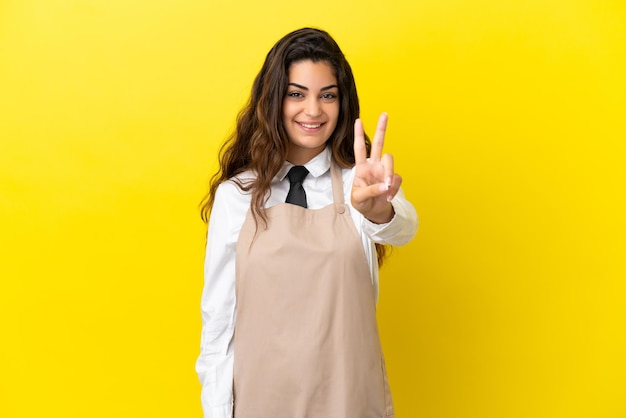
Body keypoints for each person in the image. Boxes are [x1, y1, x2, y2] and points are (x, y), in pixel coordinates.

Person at [196, 27, 418, 418]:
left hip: (350, 401)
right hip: (261, 404)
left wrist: (377, 210)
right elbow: (218, 326)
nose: (313, 110)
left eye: (327, 95)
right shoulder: (237, 196)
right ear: (273, 100)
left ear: (343, 103)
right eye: (296, 94)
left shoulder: (360, 183)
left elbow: (403, 228)